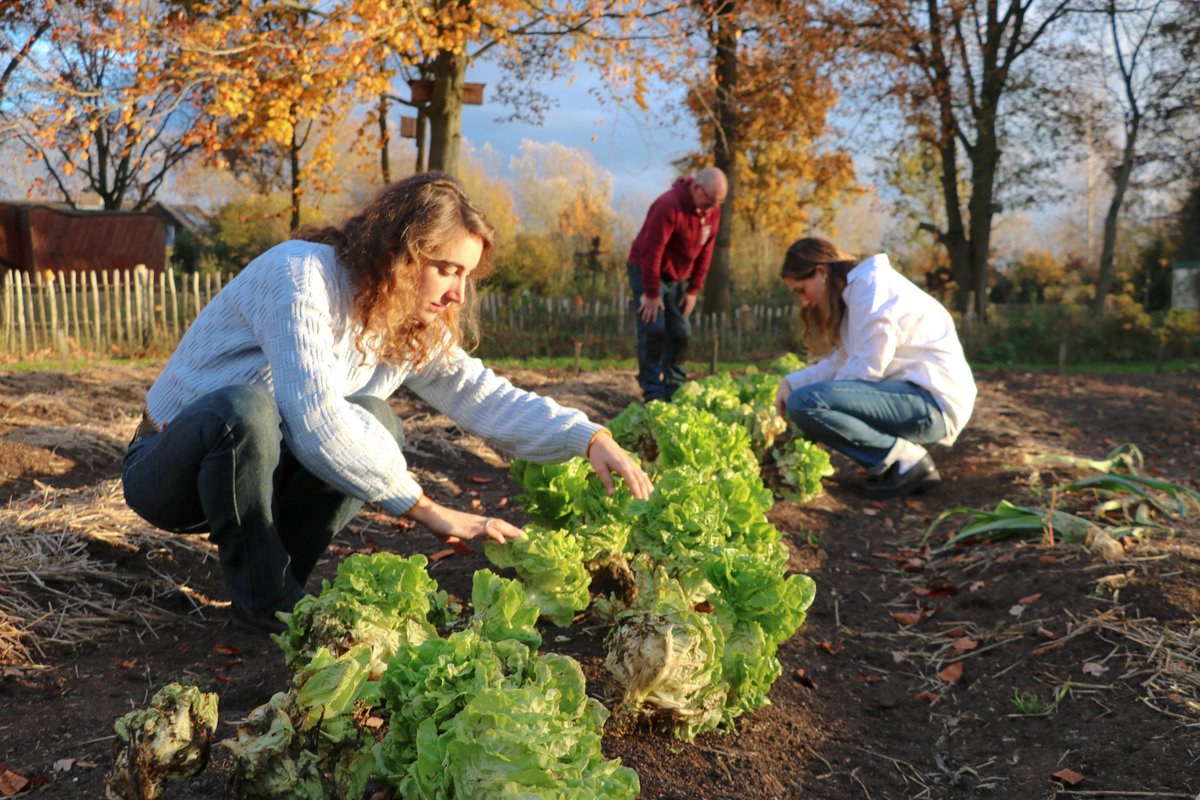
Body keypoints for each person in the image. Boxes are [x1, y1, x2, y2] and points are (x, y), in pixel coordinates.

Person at [121, 172, 653, 634]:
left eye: (466, 276)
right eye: (447, 269)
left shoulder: (406, 319)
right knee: (247, 410)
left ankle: (278, 586)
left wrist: (587, 437)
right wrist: (428, 510)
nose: (458, 294)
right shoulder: (299, 277)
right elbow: (315, 422)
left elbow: (482, 395)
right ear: (401, 253)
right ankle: (266, 604)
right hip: (171, 471)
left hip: (264, 478)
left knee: (378, 422)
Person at [774, 237, 976, 498]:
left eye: (801, 290)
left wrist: (819, 408)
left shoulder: (872, 288)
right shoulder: (859, 292)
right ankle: (899, 459)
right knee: (805, 399)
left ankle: (907, 462)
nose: (804, 302)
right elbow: (843, 360)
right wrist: (791, 382)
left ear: (821, 273)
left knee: (805, 403)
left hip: (933, 404)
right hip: (916, 400)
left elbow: (868, 366)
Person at [627, 166, 727, 402]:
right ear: (696, 187)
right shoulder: (668, 206)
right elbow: (652, 252)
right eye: (711, 199)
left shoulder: (712, 210)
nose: (713, 206)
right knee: (654, 328)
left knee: (681, 330)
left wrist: (693, 289)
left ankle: (675, 386)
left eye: (719, 201)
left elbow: (706, 251)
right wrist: (652, 293)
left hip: (675, 277)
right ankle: (653, 390)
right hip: (646, 270)